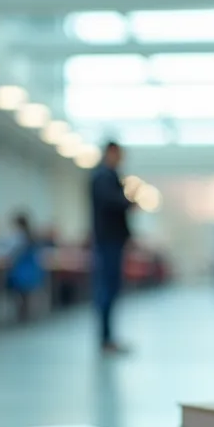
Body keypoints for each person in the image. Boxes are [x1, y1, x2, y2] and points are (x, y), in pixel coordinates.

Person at [89, 141, 135, 353]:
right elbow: (111, 203)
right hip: (108, 240)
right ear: (110, 153)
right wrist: (128, 202)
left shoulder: (108, 176)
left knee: (111, 288)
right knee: (107, 288)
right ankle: (105, 338)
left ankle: (108, 337)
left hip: (112, 240)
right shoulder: (102, 177)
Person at [4, 211, 44, 323]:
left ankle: (20, 313)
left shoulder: (18, 238)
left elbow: (9, 255)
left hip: (20, 274)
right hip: (33, 274)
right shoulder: (33, 237)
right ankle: (26, 313)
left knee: (5, 281)